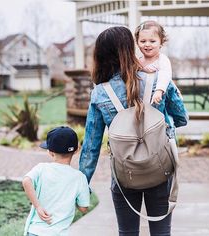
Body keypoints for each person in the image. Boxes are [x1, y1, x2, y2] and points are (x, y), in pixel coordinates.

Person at [79, 26, 188, 236]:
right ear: (130, 49)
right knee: (162, 232)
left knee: (127, 232)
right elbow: (182, 118)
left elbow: (91, 147)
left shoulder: (100, 93)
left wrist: (82, 186)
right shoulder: (159, 80)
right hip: (160, 170)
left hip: (124, 174)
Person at [22, 126, 90, 236]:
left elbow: (26, 181)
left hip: (35, 231)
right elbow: (83, 208)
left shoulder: (41, 168)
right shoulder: (79, 177)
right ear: (77, 150)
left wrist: (38, 206)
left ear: (50, 152)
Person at [135, 20, 181, 105]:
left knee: (168, 116)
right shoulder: (138, 61)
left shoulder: (162, 60)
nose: (147, 44)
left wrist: (159, 90)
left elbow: (165, 75)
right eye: (143, 41)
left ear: (161, 42)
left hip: (166, 96)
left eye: (152, 41)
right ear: (137, 43)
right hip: (146, 98)